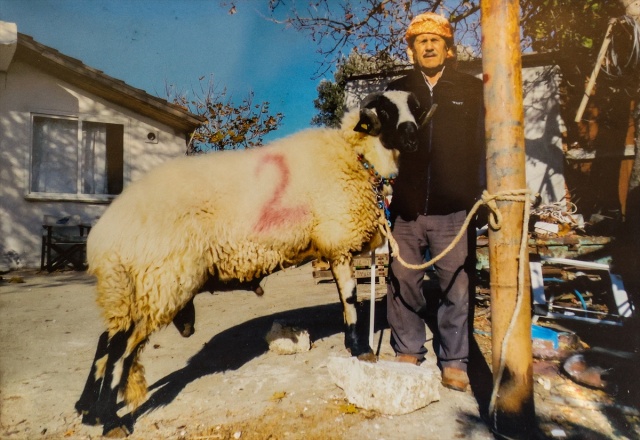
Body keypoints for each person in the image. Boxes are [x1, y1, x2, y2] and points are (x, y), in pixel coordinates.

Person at [385, 12, 485, 392]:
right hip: (407, 208)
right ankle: (408, 347)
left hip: (453, 209)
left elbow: (485, 144)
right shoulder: (396, 89)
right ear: (412, 51)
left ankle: (455, 359)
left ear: (448, 48)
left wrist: (482, 193)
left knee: (455, 286)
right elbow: (375, 143)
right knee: (404, 280)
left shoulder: (470, 89)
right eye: (420, 42)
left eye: (435, 41)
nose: (428, 46)